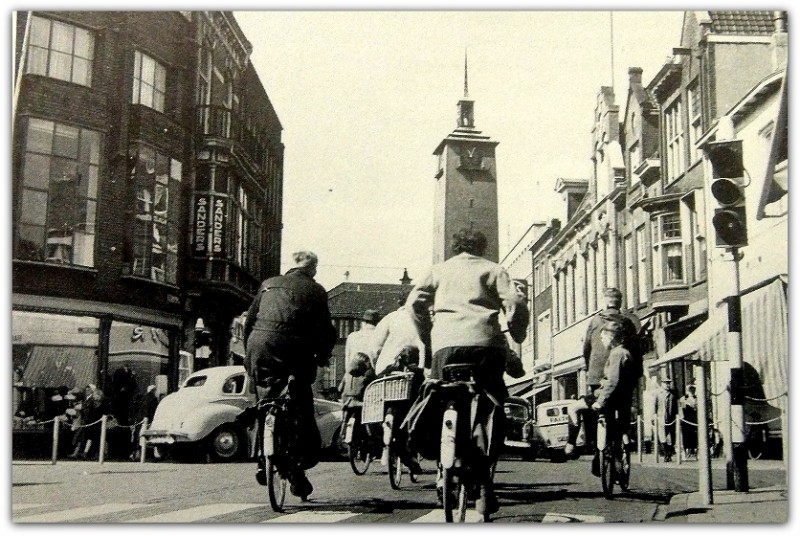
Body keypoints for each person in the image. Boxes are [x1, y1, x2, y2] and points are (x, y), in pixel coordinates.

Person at [408, 228, 529, 516]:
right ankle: (485, 483)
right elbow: (516, 302)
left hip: (445, 348)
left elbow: (414, 304)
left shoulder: (438, 270)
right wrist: (517, 331)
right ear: (482, 247)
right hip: (485, 347)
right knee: (494, 405)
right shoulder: (493, 269)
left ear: (455, 246)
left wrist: (426, 337)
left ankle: (444, 466)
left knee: (437, 398)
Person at [243, 250, 336, 498]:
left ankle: (263, 459)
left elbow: (249, 321)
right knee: (301, 404)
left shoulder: (268, 284)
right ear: (313, 269)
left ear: (290, 266)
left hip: (259, 346)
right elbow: (325, 329)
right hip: (295, 350)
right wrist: (324, 353)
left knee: (263, 402)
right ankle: (297, 469)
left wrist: (249, 352)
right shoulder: (316, 290)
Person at [565, 287, 640, 457]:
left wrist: (589, 367)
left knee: (596, 413)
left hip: (597, 374)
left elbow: (586, 348)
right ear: (619, 302)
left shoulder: (595, 321)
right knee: (621, 410)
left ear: (605, 302)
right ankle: (623, 436)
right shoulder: (628, 323)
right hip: (624, 379)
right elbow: (637, 350)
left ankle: (594, 447)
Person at [590, 320, 640, 476]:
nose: (602, 341)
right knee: (617, 431)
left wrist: (600, 401)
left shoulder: (617, 353)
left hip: (613, 401)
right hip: (623, 401)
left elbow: (613, 381)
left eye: (603, 337)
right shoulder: (624, 352)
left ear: (611, 337)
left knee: (581, 410)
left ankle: (600, 456)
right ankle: (617, 453)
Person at [372, 295, 432, 377]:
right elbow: (425, 346)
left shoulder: (390, 317)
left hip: (389, 370)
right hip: (417, 371)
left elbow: (375, 346)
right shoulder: (421, 319)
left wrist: (376, 364)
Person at [656, 377, 678, 461]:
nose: (668, 385)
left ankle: (669, 454)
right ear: (662, 384)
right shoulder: (658, 394)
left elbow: (676, 406)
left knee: (671, 437)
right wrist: (654, 417)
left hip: (671, 419)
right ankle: (665, 454)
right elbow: (655, 406)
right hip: (661, 418)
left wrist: (678, 417)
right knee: (662, 437)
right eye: (666, 383)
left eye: (669, 383)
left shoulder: (673, 394)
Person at [679, 384, 698, 458]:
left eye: (693, 389)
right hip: (686, 420)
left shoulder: (697, 399)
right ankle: (686, 449)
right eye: (690, 389)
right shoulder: (683, 399)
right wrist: (681, 418)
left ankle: (693, 450)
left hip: (694, 420)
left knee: (694, 436)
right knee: (686, 435)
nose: (692, 391)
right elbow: (681, 409)